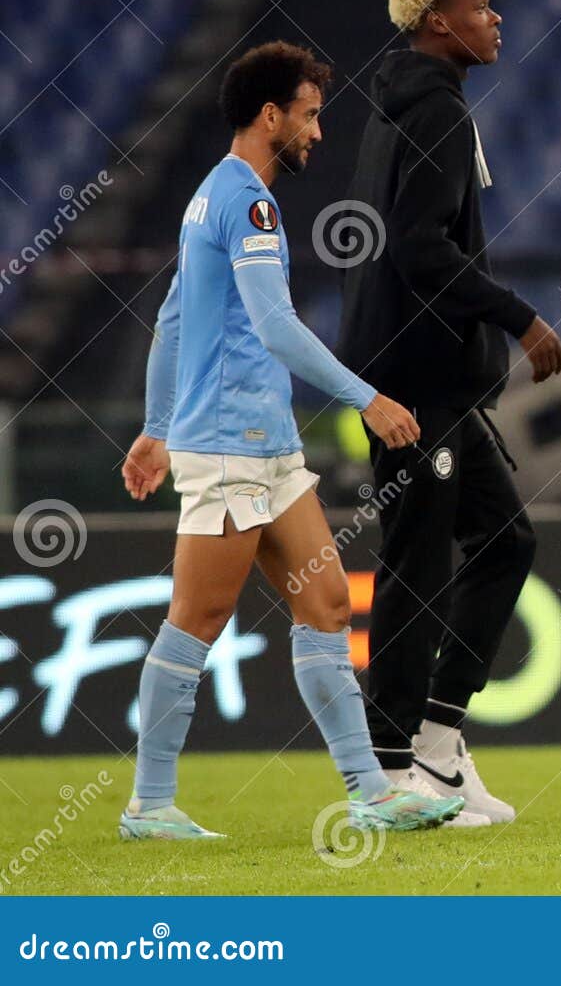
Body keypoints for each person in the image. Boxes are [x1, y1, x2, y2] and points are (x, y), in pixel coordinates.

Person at [118, 41, 464, 840]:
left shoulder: (210, 196)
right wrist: (368, 396)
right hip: (232, 445)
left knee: (328, 600)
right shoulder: (251, 204)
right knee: (198, 616)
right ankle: (149, 803)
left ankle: (370, 791)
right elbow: (275, 325)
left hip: (265, 447)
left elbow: (173, 317)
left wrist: (155, 425)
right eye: (309, 115)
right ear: (270, 116)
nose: (317, 132)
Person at [337, 0, 561, 824]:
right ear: (439, 21)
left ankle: (435, 742)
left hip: (434, 380)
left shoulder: (415, 99)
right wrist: (521, 318)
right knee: (417, 563)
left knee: (503, 541)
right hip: (414, 384)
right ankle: (393, 765)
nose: (496, 17)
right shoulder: (430, 108)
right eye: (482, 5)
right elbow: (422, 250)